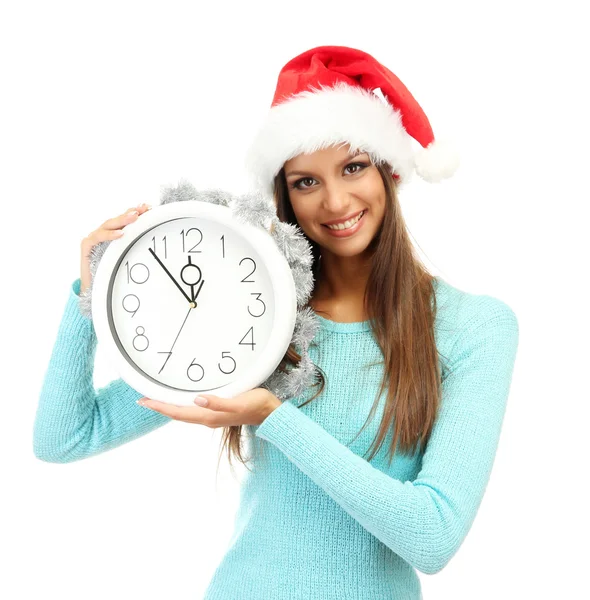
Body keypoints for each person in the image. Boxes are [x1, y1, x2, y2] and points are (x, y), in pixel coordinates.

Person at [33, 45, 520, 599]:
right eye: (305, 182)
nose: (335, 201)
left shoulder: (471, 327)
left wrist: (275, 417)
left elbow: (433, 535)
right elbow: (65, 437)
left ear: (390, 172)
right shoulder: (258, 318)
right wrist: (90, 297)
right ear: (284, 195)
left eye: (353, 167)